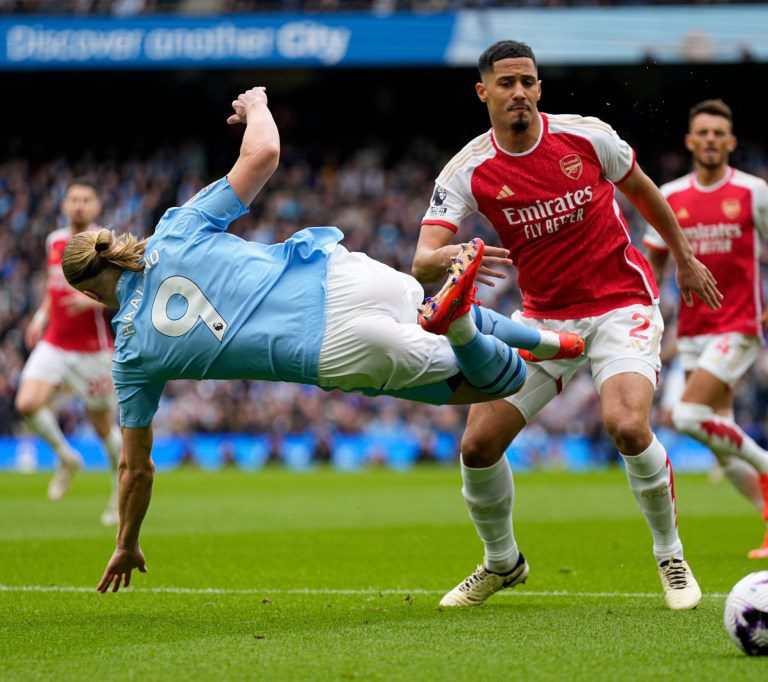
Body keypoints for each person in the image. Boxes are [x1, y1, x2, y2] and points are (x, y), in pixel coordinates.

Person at [82, 87, 583, 593]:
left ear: (85, 289)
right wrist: (256, 105)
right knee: (425, 310)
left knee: (495, 383)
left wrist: (126, 540)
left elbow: (135, 468)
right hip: (338, 271)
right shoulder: (174, 230)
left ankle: (463, 326)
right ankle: (551, 341)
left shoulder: (132, 354)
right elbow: (263, 154)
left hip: (329, 346)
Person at [412, 41, 722, 610]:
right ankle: (501, 562)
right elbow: (423, 258)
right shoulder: (469, 170)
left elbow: (643, 190)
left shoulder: (586, 136)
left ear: (539, 88)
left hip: (620, 305)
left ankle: (670, 555)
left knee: (626, 425)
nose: (520, 93)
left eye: (528, 81)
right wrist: (456, 255)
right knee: (478, 446)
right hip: (543, 320)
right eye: (506, 83)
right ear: (483, 93)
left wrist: (681, 256)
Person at [644, 99, 768, 559]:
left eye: (719, 133)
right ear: (690, 141)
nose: (711, 139)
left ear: (730, 142)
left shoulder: (753, 191)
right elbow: (652, 258)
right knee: (721, 438)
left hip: (739, 323)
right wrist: (645, 310)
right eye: (703, 133)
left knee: (687, 416)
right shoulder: (671, 195)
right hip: (693, 329)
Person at [15, 180, 123, 524]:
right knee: (27, 403)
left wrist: (94, 298)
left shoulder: (105, 245)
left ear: (96, 207)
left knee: (102, 427)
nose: (78, 205)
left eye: (85, 200)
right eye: (73, 199)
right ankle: (67, 457)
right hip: (55, 341)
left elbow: (124, 290)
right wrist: (41, 316)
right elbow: (53, 287)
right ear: (64, 206)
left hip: (93, 351)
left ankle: (120, 494)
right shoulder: (55, 241)